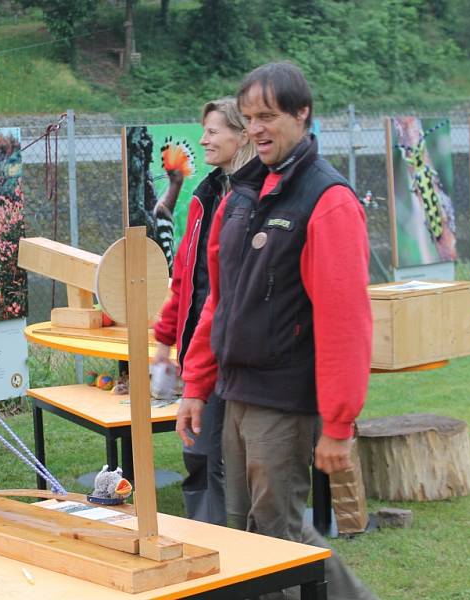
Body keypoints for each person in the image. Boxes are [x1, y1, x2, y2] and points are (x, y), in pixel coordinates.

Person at [177, 62, 377, 599]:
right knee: (252, 533)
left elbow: (345, 322)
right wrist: (195, 385)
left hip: (285, 401)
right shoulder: (242, 194)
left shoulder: (327, 200)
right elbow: (220, 301)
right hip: (234, 393)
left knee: (276, 544)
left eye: (268, 116)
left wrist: (338, 423)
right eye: (248, 119)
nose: (257, 129)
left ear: (302, 114)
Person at [153, 97, 254, 525]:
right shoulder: (203, 195)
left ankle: (247, 552)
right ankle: (206, 541)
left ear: (242, 135)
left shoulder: (257, 199)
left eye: (213, 131)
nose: (203, 139)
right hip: (199, 352)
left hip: (239, 355)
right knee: (197, 451)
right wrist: (164, 336)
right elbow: (186, 279)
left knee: (242, 463)